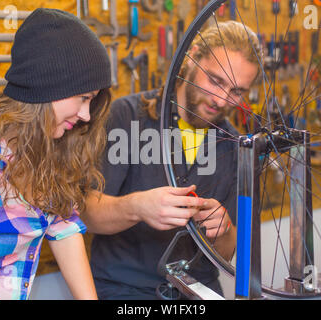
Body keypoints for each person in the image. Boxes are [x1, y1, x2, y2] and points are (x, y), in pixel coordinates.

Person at [0, 8, 112, 300]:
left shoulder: (47, 152)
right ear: (47, 88)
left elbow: (63, 227)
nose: (85, 115)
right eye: (83, 98)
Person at [83, 21, 262, 299]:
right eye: (215, 80)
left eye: (236, 91)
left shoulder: (235, 146)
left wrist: (223, 229)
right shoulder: (127, 117)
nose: (221, 99)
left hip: (197, 289)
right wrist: (137, 207)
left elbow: (226, 253)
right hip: (125, 289)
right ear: (191, 57)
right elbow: (87, 215)